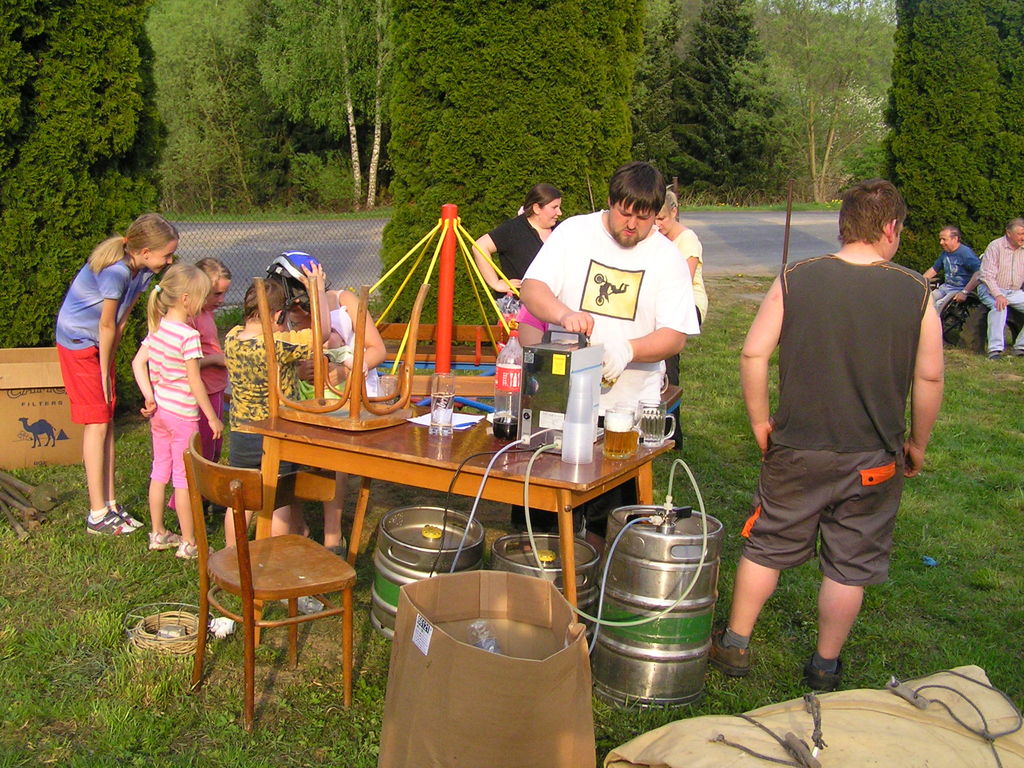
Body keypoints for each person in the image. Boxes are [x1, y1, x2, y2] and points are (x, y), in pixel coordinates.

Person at [709, 179, 944, 691]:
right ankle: (824, 665)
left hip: (796, 448)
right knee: (849, 564)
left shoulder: (797, 276)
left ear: (843, 224)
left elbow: (753, 353)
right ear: (890, 228)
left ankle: (735, 644)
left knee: (768, 543)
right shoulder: (915, 290)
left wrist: (759, 422)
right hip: (874, 457)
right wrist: (918, 444)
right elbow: (929, 378)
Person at [521, 161, 699, 546]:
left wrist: (628, 349)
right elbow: (533, 289)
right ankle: (542, 574)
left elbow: (675, 336)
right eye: (624, 213)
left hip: (624, 410)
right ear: (610, 201)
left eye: (643, 217)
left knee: (610, 521)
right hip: (560, 398)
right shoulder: (574, 233)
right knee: (544, 510)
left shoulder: (667, 258)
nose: (632, 225)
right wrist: (563, 314)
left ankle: (596, 576)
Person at [55, 213, 178, 536]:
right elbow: (106, 324)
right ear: (145, 251)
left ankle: (110, 505)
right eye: (167, 254)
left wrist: (108, 365)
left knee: (107, 418)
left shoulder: (142, 272)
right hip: (79, 344)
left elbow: (120, 322)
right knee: (96, 423)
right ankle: (96, 514)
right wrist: (101, 373)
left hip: (99, 345)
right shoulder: (116, 272)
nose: (169, 261)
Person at [269, 251, 387, 553]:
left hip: (350, 395)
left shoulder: (344, 302)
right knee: (290, 453)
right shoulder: (283, 318)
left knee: (334, 457)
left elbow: (377, 349)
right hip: (304, 398)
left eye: (300, 304)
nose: (296, 312)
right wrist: (300, 370)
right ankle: (298, 524)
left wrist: (345, 369)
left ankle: (333, 535)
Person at [223, 263, 330, 544]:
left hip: (241, 432)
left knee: (241, 499)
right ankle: (274, 555)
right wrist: (317, 290)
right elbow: (322, 334)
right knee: (278, 499)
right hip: (276, 431)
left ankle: (233, 555)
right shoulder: (278, 345)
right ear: (278, 316)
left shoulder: (232, 337)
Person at [132, 263, 224, 559]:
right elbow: (195, 381)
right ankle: (189, 542)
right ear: (186, 299)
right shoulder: (188, 336)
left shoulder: (157, 328)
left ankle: (158, 533)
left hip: (160, 413)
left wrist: (149, 397)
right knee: (184, 480)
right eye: (201, 296)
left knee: (159, 471)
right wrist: (211, 416)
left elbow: (137, 363)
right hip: (183, 417)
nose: (203, 302)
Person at [473, 183, 563, 346]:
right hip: (519, 312)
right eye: (554, 207)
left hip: (553, 308)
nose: (559, 213)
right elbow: (479, 247)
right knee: (521, 357)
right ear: (537, 208)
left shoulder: (560, 231)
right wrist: (496, 283)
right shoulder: (513, 229)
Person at [655, 188, 707, 448]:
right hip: (658, 304)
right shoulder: (654, 238)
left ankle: (672, 431)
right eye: (654, 218)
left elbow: (682, 282)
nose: (657, 224)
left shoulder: (687, 240)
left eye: (662, 218)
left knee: (667, 358)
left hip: (687, 304)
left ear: (674, 212)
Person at [192, 258, 232, 462]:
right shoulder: (191, 318)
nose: (222, 299)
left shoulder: (207, 313)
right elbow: (185, 364)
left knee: (215, 447)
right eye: (217, 294)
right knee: (204, 450)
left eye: (224, 293)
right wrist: (215, 359)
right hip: (203, 391)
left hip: (216, 388)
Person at [976, 218, 1024, 360]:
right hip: (991, 289)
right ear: (1008, 233)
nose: (1023, 237)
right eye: (1020, 234)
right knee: (999, 307)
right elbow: (986, 275)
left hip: (1014, 292)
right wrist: (998, 294)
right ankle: (995, 350)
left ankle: (1020, 347)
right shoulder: (995, 246)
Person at [922, 226, 979, 314]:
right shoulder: (945, 253)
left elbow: (979, 273)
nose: (941, 242)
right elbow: (934, 269)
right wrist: (920, 281)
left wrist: (965, 292)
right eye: (940, 239)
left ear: (955, 239)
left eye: (944, 239)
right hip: (945, 287)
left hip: (959, 289)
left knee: (936, 307)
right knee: (925, 300)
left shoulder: (965, 254)